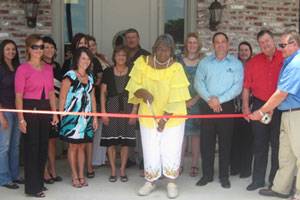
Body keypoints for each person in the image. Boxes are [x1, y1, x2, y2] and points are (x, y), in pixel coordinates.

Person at [126, 34, 190, 198]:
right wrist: (143, 92)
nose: (163, 53)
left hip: (172, 116)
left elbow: (177, 97)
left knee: (171, 149)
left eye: (167, 50)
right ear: (154, 49)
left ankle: (171, 182)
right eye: (160, 49)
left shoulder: (176, 67)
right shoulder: (142, 62)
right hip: (148, 114)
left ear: (171, 51)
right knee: (150, 148)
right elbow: (134, 87)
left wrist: (164, 119)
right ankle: (151, 181)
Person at [249, 30, 300, 200]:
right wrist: (269, 109)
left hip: (296, 115)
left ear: (294, 44)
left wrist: (262, 111)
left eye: (283, 45)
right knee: (286, 155)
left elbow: (281, 93)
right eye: (281, 45)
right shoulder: (289, 61)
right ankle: (281, 189)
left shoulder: (296, 63)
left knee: (298, 155)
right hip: (285, 112)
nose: (281, 48)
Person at [194, 32, 243, 188]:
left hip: (226, 106)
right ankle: (207, 175)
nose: (220, 44)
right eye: (217, 42)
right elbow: (198, 83)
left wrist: (219, 100)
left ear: (228, 44)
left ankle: (224, 176)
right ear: (213, 45)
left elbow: (237, 87)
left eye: (223, 42)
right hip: (207, 105)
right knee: (206, 143)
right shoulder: (205, 63)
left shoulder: (236, 64)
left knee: (225, 143)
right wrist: (210, 99)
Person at [15, 34, 59, 198]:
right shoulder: (22, 69)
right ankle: (32, 187)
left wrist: (54, 113)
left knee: (42, 147)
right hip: (29, 108)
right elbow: (18, 96)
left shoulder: (48, 68)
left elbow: (50, 93)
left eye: (41, 47)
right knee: (31, 148)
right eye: (35, 47)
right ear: (28, 49)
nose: (39, 50)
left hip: (44, 108)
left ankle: (39, 182)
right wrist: (21, 118)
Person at [243, 30, 283, 191]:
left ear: (273, 40)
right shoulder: (253, 62)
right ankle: (258, 180)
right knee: (259, 145)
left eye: (267, 41)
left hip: (280, 106)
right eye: (261, 43)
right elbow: (246, 87)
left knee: (277, 146)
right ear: (259, 45)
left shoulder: (285, 58)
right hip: (259, 106)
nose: (265, 44)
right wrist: (246, 107)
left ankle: (275, 181)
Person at [59, 47, 98, 188]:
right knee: (73, 147)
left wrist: (94, 117)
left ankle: (81, 175)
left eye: (88, 58)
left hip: (86, 118)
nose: (86, 61)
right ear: (77, 59)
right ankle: (74, 176)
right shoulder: (70, 75)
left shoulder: (90, 77)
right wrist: (60, 116)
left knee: (82, 146)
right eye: (83, 58)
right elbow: (62, 97)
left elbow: (93, 98)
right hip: (72, 118)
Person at [100, 45, 137, 182]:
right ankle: (113, 171)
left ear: (126, 58)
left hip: (128, 108)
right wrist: (103, 112)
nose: (121, 57)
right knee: (111, 142)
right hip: (111, 108)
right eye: (118, 55)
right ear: (114, 56)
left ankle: (122, 170)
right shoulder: (108, 72)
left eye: (123, 55)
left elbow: (136, 92)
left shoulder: (133, 71)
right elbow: (103, 93)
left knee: (125, 142)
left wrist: (134, 111)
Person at [177, 32, 204, 177]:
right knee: (180, 134)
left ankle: (194, 164)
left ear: (198, 44)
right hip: (181, 102)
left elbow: (206, 82)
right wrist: (182, 100)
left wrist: (195, 99)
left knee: (195, 135)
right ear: (186, 45)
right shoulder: (179, 61)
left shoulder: (204, 61)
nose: (192, 45)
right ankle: (179, 164)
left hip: (198, 102)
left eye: (194, 42)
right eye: (190, 42)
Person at [124, 28, 150, 169]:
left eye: (133, 37)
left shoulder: (145, 55)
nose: (131, 40)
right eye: (128, 37)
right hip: (125, 95)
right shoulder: (122, 54)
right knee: (128, 127)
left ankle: (143, 158)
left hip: (140, 95)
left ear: (138, 38)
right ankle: (130, 158)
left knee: (141, 128)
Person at [0, 39, 23, 189]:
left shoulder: (18, 67)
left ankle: (15, 175)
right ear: (2, 51)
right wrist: (1, 116)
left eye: (13, 49)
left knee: (15, 145)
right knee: (4, 146)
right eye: (8, 49)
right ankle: (4, 178)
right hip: (5, 111)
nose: (11, 52)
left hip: (17, 110)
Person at [230, 41, 253, 178]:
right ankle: (234, 167)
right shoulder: (234, 66)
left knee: (247, 139)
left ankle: (246, 169)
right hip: (234, 107)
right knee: (234, 138)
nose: (243, 52)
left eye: (246, 50)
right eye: (241, 50)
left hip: (249, 107)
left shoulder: (254, 65)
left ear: (250, 51)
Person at [42, 36, 63, 184]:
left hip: (55, 109)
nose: (49, 50)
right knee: (43, 141)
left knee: (52, 142)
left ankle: (53, 170)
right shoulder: (39, 66)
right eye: (46, 47)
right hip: (43, 108)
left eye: (51, 47)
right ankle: (44, 172)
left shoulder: (57, 66)